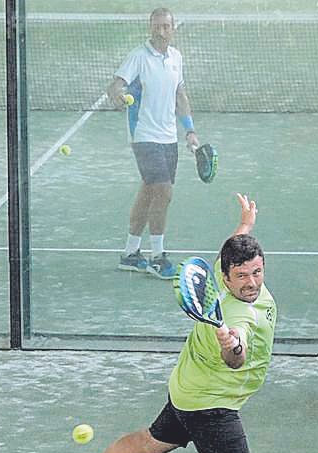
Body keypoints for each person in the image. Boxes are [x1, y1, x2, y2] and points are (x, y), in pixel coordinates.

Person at [58, 193, 298, 453]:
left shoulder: (235, 276)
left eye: (257, 273)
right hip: (211, 403)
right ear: (225, 279)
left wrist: (245, 225)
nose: (252, 283)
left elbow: (235, 250)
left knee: (151, 441)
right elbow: (235, 358)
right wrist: (231, 344)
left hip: (186, 388)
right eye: (242, 276)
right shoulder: (234, 318)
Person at [108, 7, 201, 281]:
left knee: (149, 192)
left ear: (173, 29)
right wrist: (118, 99)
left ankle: (130, 253)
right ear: (151, 28)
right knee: (164, 192)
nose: (160, 31)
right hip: (144, 135)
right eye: (156, 26)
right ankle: (157, 258)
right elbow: (114, 86)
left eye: (165, 27)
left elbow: (180, 96)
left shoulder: (176, 58)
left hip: (168, 137)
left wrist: (190, 131)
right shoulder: (138, 57)